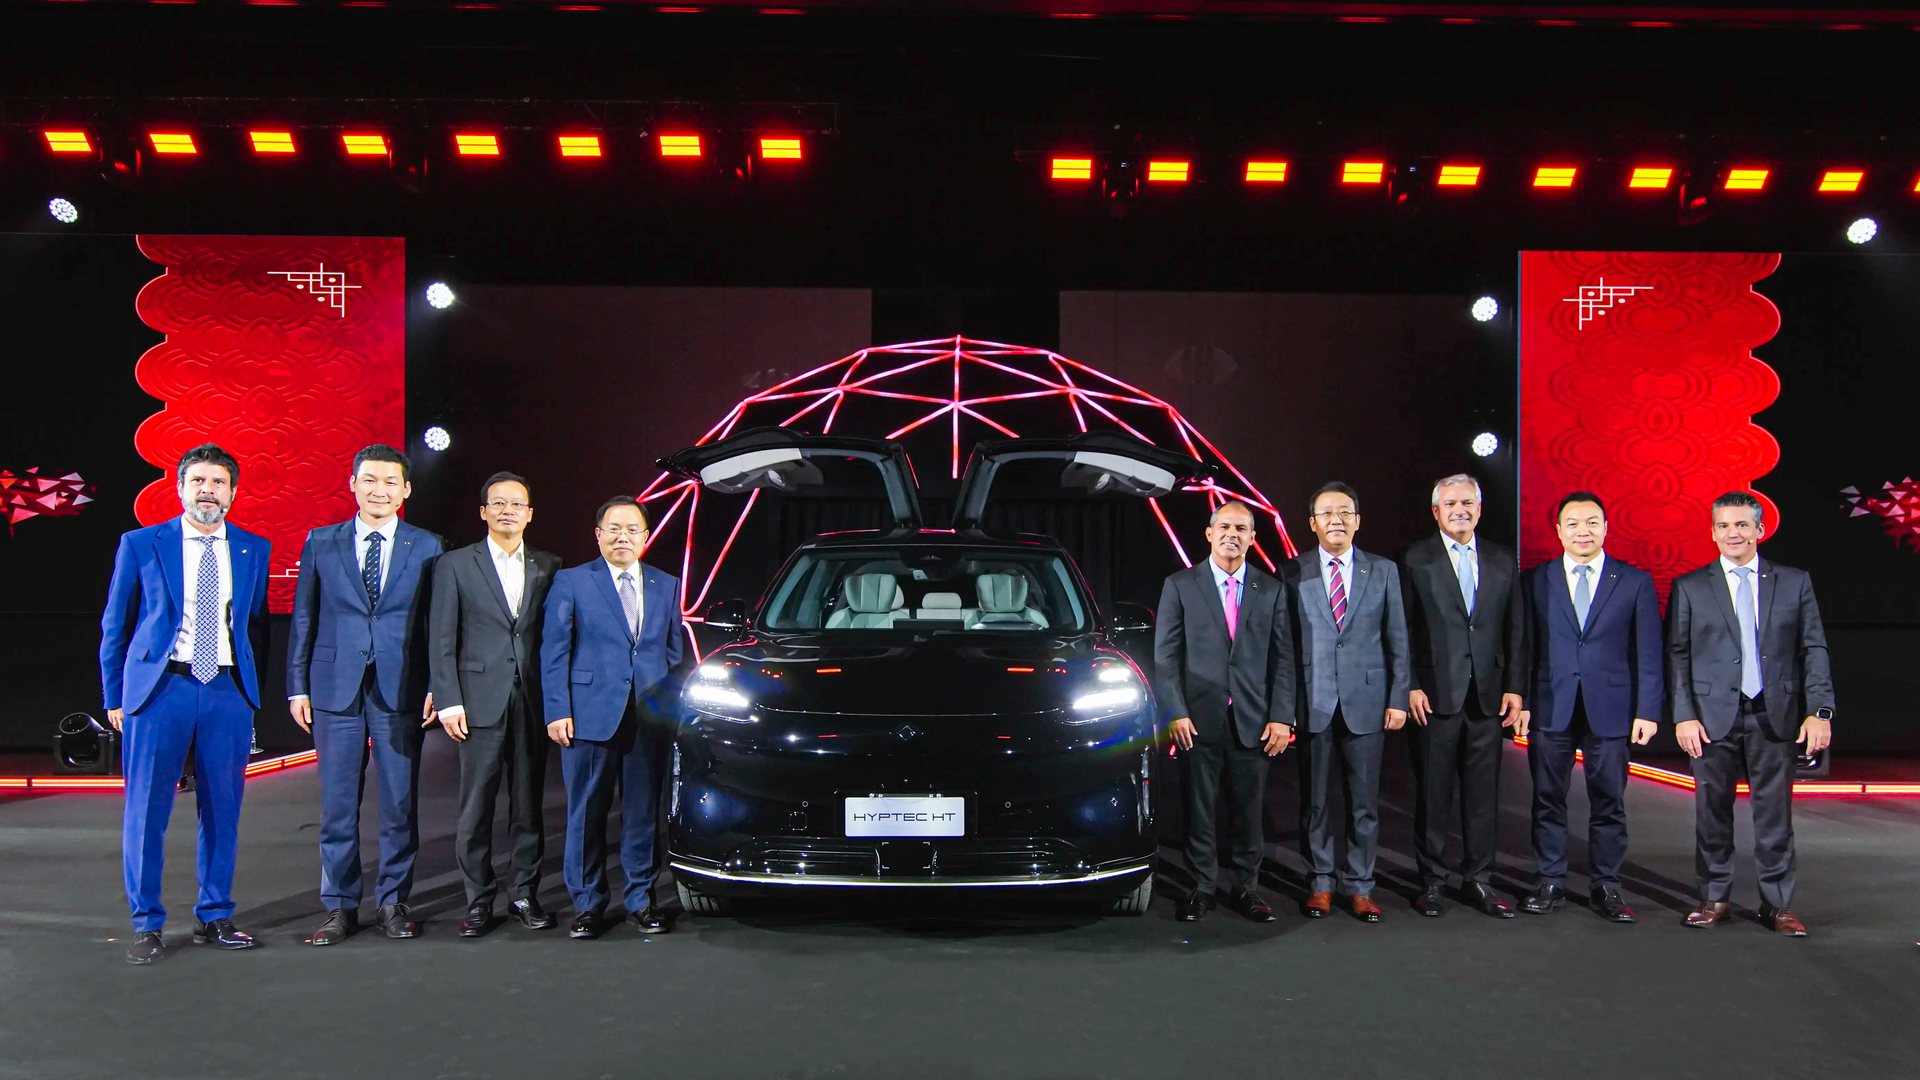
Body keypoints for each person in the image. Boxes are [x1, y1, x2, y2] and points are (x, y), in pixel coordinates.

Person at [100, 444, 271, 965]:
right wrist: (115, 698)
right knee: (147, 810)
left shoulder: (252, 548)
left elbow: (256, 625)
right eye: (198, 481)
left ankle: (214, 914)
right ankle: (147, 923)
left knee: (223, 809)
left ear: (233, 493)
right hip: (159, 692)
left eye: (218, 483)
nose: (208, 491)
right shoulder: (142, 544)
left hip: (226, 691)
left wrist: (251, 692)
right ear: (179, 488)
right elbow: (115, 624)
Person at [288, 444, 444, 945]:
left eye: (391, 482)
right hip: (335, 688)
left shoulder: (428, 545)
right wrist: (297, 686)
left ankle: (394, 901)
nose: (380, 490)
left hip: (400, 688)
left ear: (406, 490)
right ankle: (339, 906)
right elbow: (305, 618)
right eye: (370, 480)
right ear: (352, 484)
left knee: (399, 803)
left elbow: (434, 626)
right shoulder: (322, 541)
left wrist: (437, 685)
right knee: (337, 805)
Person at [1667, 491, 1833, 936]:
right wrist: (1683, 715)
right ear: (1712, 532)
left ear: (1760, 530)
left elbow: (1812, 647)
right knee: (1711, 812)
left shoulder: (1794, 581)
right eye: (1723, 526)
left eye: (1741, 525)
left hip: (1775, 715)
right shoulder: (1690, 586)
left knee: (1775, 815)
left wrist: (1820, 711)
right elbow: (1678, 656)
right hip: (1710, 717)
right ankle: (1715, 896)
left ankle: (1776, 905)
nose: (1732, 533)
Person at [427, 471, 564, 938]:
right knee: (476, 808)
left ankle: (524, 893)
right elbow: (441, 637)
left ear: (530, 514)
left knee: (528, 807)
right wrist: (447, 699)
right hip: (478, 701)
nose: (508, 511)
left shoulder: (550, 566)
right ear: (483, 511)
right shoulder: (455, 565)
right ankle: (479, 899)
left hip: (532, 701)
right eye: (498, 503)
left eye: (518, 504)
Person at [541, 496, 682, 939]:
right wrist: (557, 709)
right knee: (587, 812)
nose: (624, 537)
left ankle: (641, 899)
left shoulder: (666, 584)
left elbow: (675, 655)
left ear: (645, 536)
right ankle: (588, 903)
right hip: (587, 716)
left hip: (648, 718)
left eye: (633, 529)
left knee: (643, 812)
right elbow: (553, 651)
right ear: (598, 534)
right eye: (614, 529)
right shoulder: (571, 581)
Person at [1518, 492, 1662, 922]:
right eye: (1574, 523)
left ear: (1606, 528)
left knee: (1609, 802)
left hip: (1613, 708)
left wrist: (1648, 710)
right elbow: (1525, 648)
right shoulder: (1535, 581)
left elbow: (1649, 653)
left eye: (1592, 522)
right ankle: (1550, 881)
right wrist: (1522, 699)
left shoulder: (1633, 581)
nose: (1583, 530)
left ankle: (1607, 887)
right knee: (1547, 799)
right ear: (1559, 530)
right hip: (1549, 704)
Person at [1152, 501, 1298, 923]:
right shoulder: (1180, 584)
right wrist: (1175, 712)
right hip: (1197, 720)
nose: (1233, 534)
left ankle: (1246, 889)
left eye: (1243, 528)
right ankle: (1201, 888)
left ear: (1253, 538)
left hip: (1254, 720)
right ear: (1209, 533)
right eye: (1226, 526)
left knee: (1249, 811)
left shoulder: (1270, 589)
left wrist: (1281, 717)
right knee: (1199, 810)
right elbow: (1166, 657)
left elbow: (1282, 660)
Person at [1397, 474, 1527, 918]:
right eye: (1450, 503)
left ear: (1479, 508)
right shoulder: (1415, 558)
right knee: (1434, 794)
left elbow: (1516, 630)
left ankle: (1479, 879)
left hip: (1488, 697)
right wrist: (1409, 684)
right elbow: (1404, 630)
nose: (1460, 510)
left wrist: (1514, 687)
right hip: (1434, 696)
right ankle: (1431, 881)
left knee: (1482, 795)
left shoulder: (1502, 560)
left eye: (1467, 502)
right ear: (1436, 511)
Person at [1286, 482, 1410, 922]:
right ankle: (1320, 883)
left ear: (1357, 521)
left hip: (1369, 700)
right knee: (1315, 802)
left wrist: (1398, 696)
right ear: (1312, 523)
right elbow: (1286, 648)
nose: (1336, 520)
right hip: (1314, 701)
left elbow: (1398, 639)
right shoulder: (1293, 572)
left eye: (1345, 512)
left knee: (1363, 803)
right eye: (1327, 513)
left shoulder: (1384, 571)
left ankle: (1359, 886)